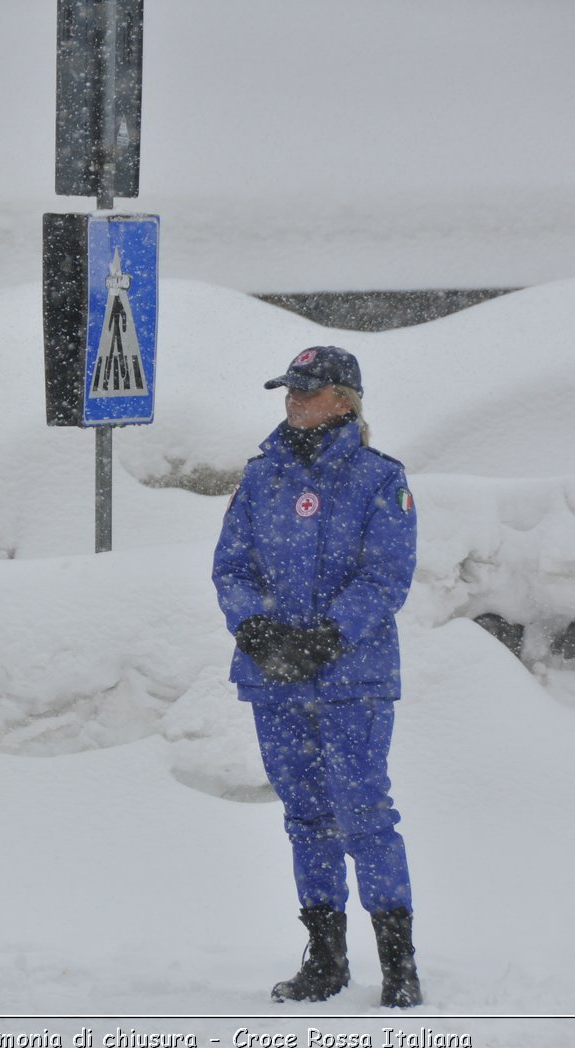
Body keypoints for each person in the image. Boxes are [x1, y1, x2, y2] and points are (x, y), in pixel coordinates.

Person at [212, 345, 423, 1009]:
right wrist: (256, 628)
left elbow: (387, 573)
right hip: (275, 678)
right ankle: (326, 958)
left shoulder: (378, 478)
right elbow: (231, 567)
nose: (294, 400)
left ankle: (398, 963)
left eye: (308, 389)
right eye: (289, 389)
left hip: (351, 676)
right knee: (305, 816)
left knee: (363, 812)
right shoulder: (260, 476)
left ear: (345, 399)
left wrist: (328, 635)